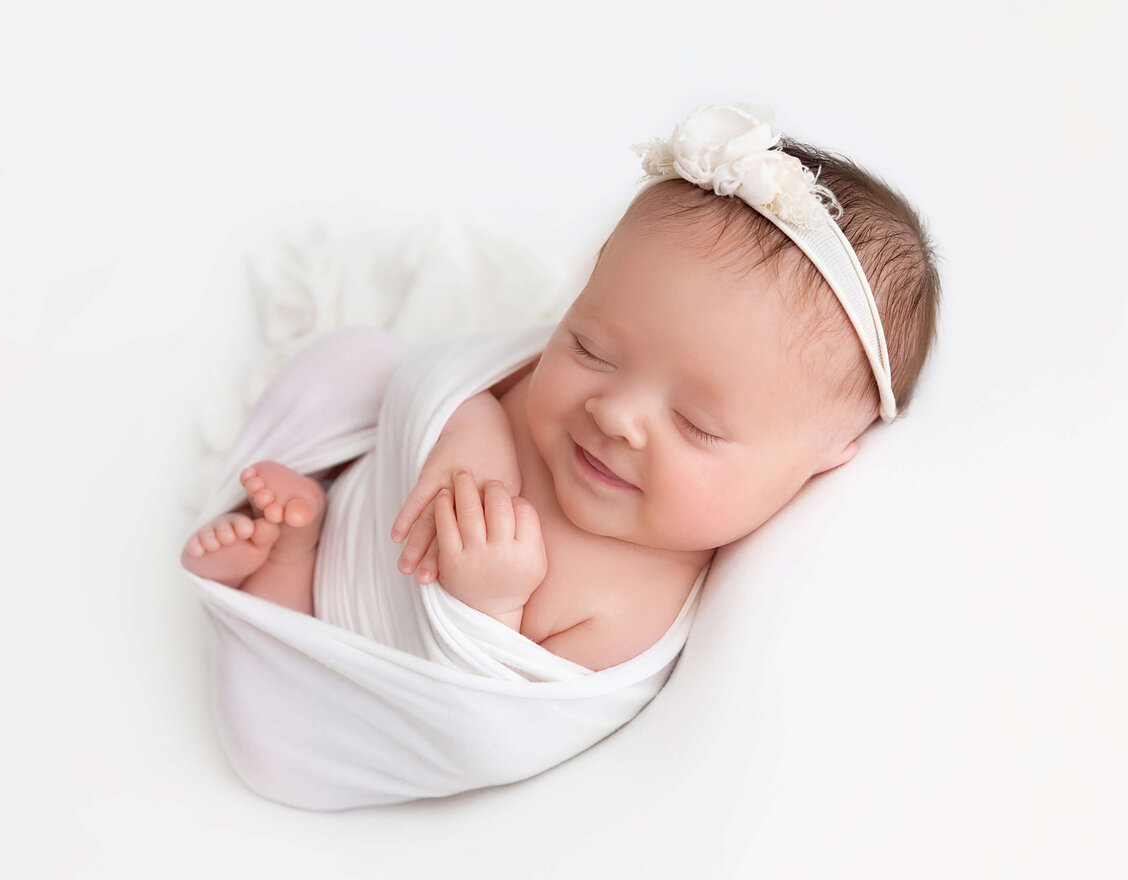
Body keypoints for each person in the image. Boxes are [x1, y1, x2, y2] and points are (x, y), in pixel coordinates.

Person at [180, 103, 940, 672]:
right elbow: (448, 373)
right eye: (591, 347)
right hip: (368, 511)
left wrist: (488, 603)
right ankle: (304, 534)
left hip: (374, 656)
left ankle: (283, 576)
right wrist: (468, 424)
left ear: (828, 453)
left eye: (698, 424)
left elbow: (487, 711)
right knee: (358, 358)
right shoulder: (556, 408)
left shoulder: (633, 604)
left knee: (301, 679)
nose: (613, 415)